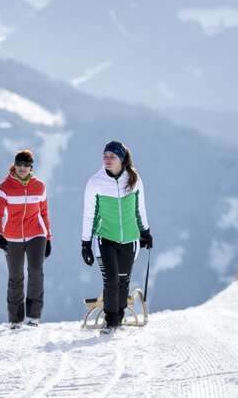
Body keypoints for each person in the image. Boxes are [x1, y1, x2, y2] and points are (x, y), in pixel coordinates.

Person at [81, 140, 153, 333]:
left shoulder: (134, 178)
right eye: (105, 156)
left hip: (130, 239)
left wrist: (145, 232)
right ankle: (111, 321)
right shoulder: (95, 182)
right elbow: (89, 214)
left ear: (121, 159)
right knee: (111, 280)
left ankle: (119, 317)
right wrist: (85, 243)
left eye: (112, 156)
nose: (107, 159)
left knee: (123, 281)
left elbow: (140, 209)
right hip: (105, 239)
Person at [0, 149, 52, 329]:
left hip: (36, 234)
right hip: (12, 236)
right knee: (16, 276)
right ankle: (16, 319)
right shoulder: (4, 188)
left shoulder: (39, 186)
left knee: (35, 271)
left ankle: (33, 316)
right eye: (19, 164)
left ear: (31, 167)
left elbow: (44, 213)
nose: (22, 168)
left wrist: (48, 237)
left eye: (26, 165)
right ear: (14, 165)